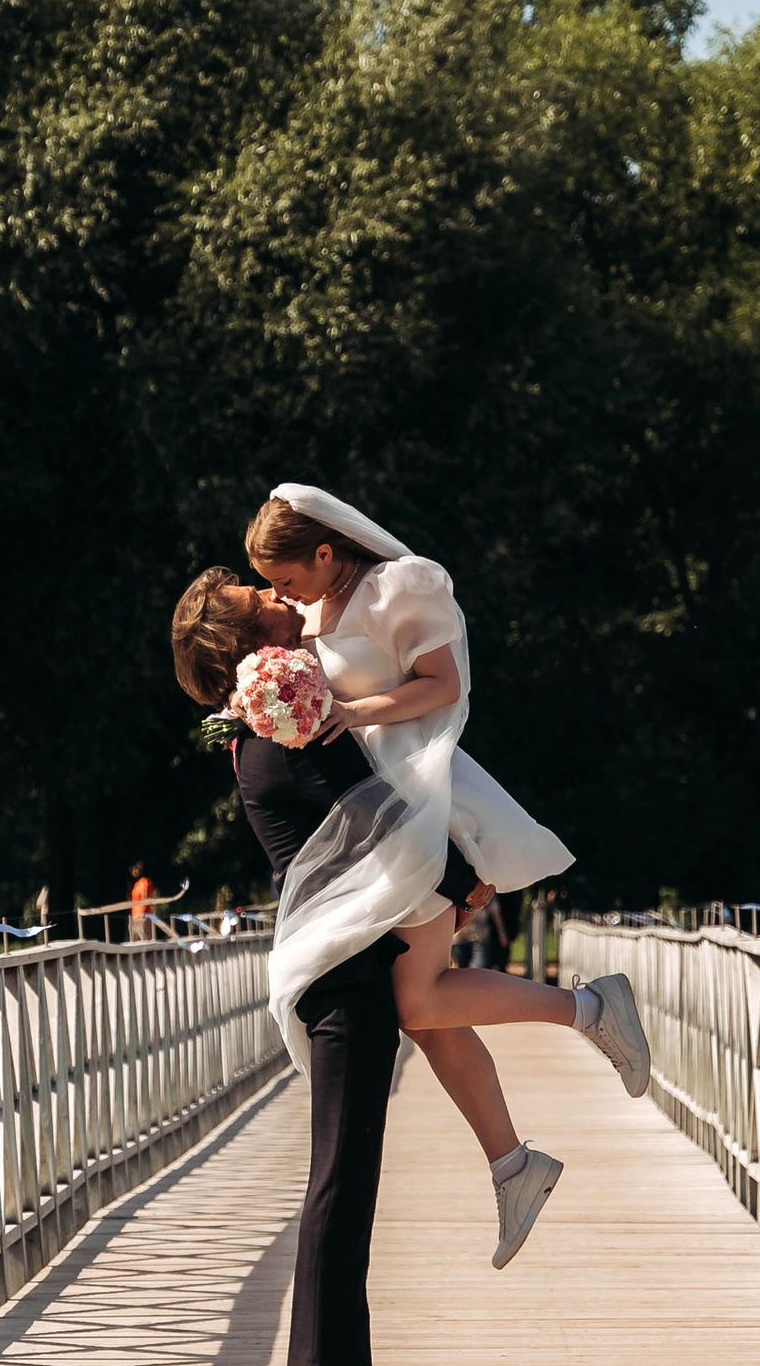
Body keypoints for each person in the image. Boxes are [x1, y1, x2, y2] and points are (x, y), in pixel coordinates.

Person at [242, 482, 650, 1236]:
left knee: (419, 1001)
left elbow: (444, 687)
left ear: (327, 552)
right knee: (423, 1013)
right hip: (378, 821)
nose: (279, 594)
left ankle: (591, 1009)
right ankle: (512, 1165)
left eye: (287, 578)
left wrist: (353, 711)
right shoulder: (308, 613)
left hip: (426, 808)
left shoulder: (400, 586)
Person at [172, 571, 455, 1366]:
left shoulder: (267, 731)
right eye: (244, 591)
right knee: (341, 1172)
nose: (268, 589)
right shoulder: (290, 730)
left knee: (351, 1169)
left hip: (340, 966)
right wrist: (467, 879)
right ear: (239, 635)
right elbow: (372, 818)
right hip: (340, 975)